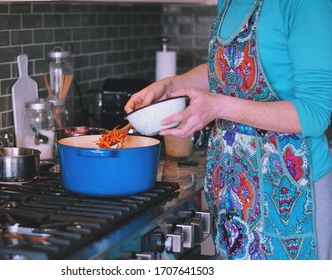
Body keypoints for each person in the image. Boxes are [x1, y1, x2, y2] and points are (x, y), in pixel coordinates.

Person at [125, 0, 332, 260]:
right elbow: (222, 70)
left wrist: (218, 107)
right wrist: (170, 86)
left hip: (290, 196)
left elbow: (314, 113)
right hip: (233, 194)